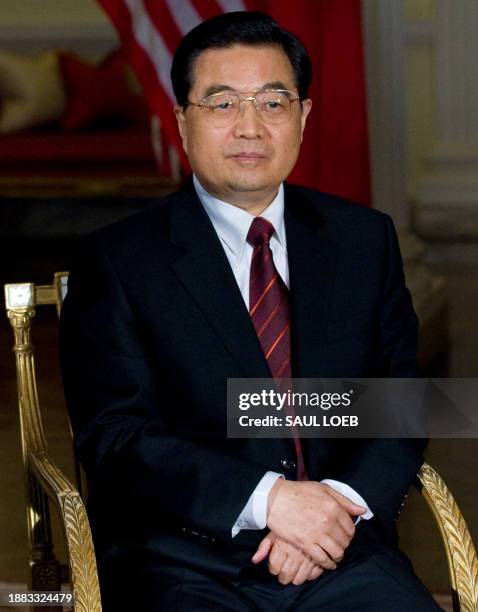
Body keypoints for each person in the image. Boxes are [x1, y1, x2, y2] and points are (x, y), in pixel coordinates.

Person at [60, 11, 442, 612]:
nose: (250, 126)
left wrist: (331, 506)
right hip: (183, 560)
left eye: (272, 102)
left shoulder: (363, 240)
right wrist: (271, 500)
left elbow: (402, 401)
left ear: (303, 117)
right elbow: (115, 437)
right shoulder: (118, 261)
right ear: (183, 121)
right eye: (222, 104)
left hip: (342, 553)